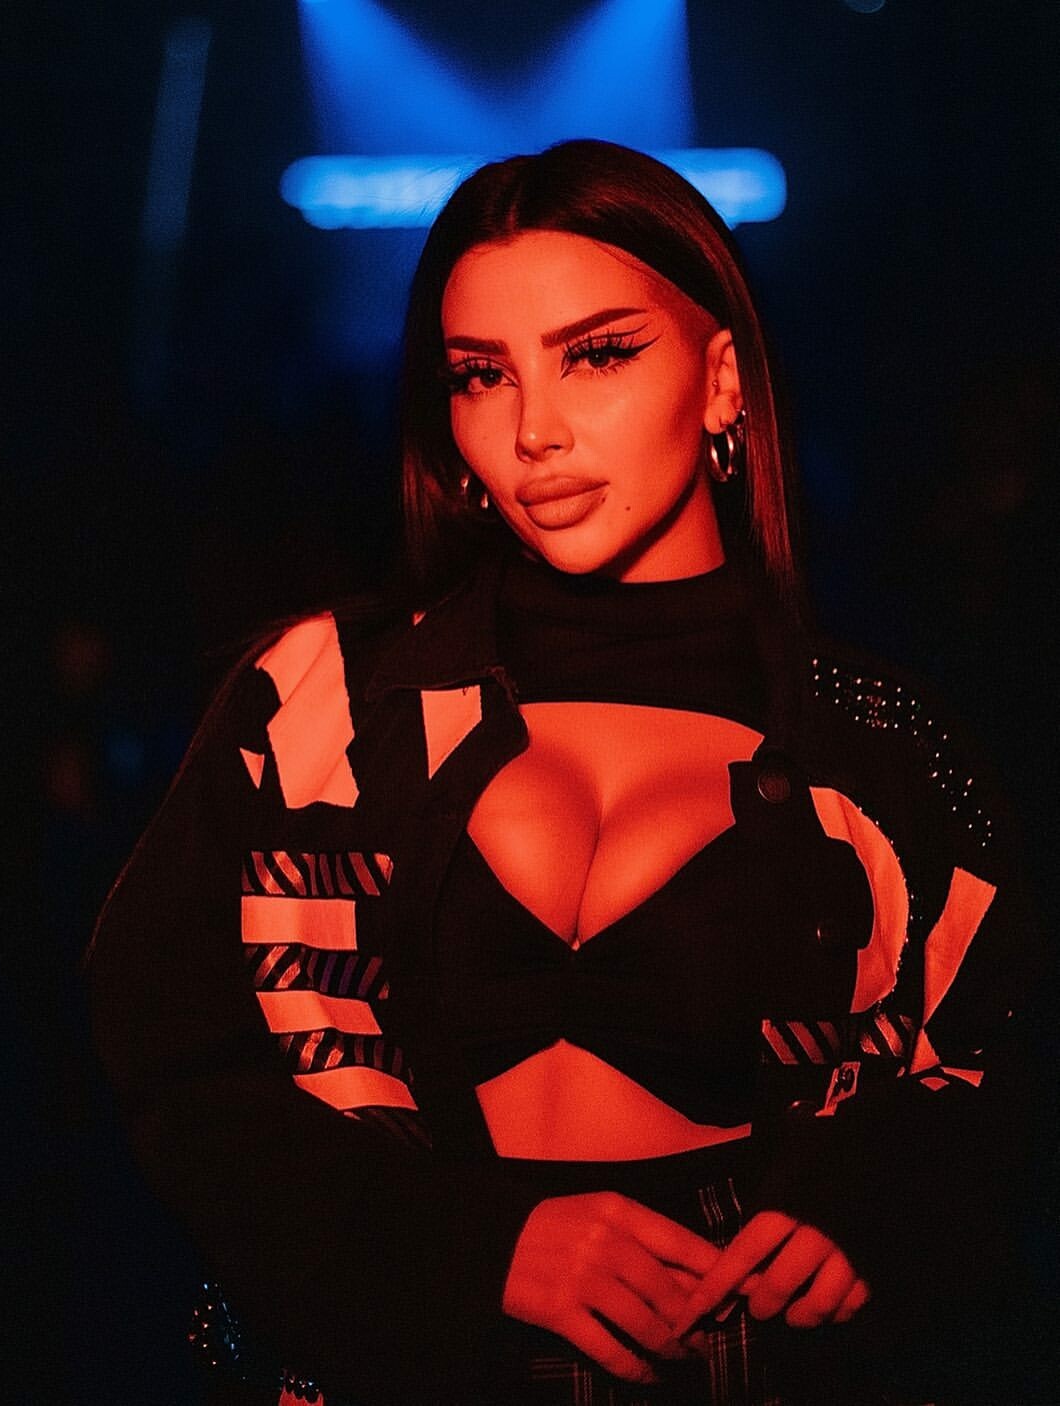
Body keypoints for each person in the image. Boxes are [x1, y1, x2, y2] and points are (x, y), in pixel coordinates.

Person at [87, 140, 1037, 1406]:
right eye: (480, 375)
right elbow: (170, 1053)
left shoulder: (875, 740)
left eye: (596, 354)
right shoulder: (320, 705)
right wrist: (464, 1247)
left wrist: (881, 1197)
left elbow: (1005, 1061)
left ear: (719, 379)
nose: (533, 429)